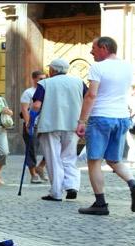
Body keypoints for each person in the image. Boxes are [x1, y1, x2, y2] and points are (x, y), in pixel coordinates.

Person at [76, 36, 135, 215]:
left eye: (94, 48)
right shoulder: (127, 66)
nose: (91, 51)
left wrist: (82, 121)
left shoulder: (98, 67)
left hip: (101, 117)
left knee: (94, 161)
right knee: (114, 160)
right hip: (122, 118)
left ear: (104, 48)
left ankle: (100, 204)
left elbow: (91, 95)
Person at [31, 58, 87, 201]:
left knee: (53, 158)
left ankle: (56, 192)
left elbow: (37, 105)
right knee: (69, 156)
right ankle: (72, 186)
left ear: (53, 70)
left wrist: (30, 120)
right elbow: (89, 100)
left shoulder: (44, 83)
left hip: (50, 125)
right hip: (73, 124)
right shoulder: (79, 83)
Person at [20, 70, 48, 184]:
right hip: (33, 124)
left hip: (45, 124)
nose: (43, 81)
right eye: (40, 78)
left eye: (44, 78)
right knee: (31, 150)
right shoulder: (28, 92)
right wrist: (28, 123)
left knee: (50, 148)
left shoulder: (47, 91)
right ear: (34, 79)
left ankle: (41, 167)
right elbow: (24, 109)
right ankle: (33, 174)